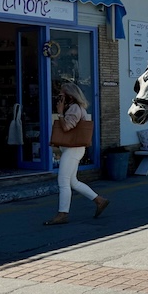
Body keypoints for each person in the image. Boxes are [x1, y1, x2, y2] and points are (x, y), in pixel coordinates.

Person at [44, 82, 109, 226]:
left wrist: (60, 112)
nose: (59, 97)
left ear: (70, 96)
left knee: (63, 182)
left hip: (73, 149)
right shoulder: (76, 107)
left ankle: (63, 214)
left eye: (62, 95)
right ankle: (100, 200)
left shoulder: (74, 108)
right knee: (73, 182)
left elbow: (67, 127)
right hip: (74, 149)